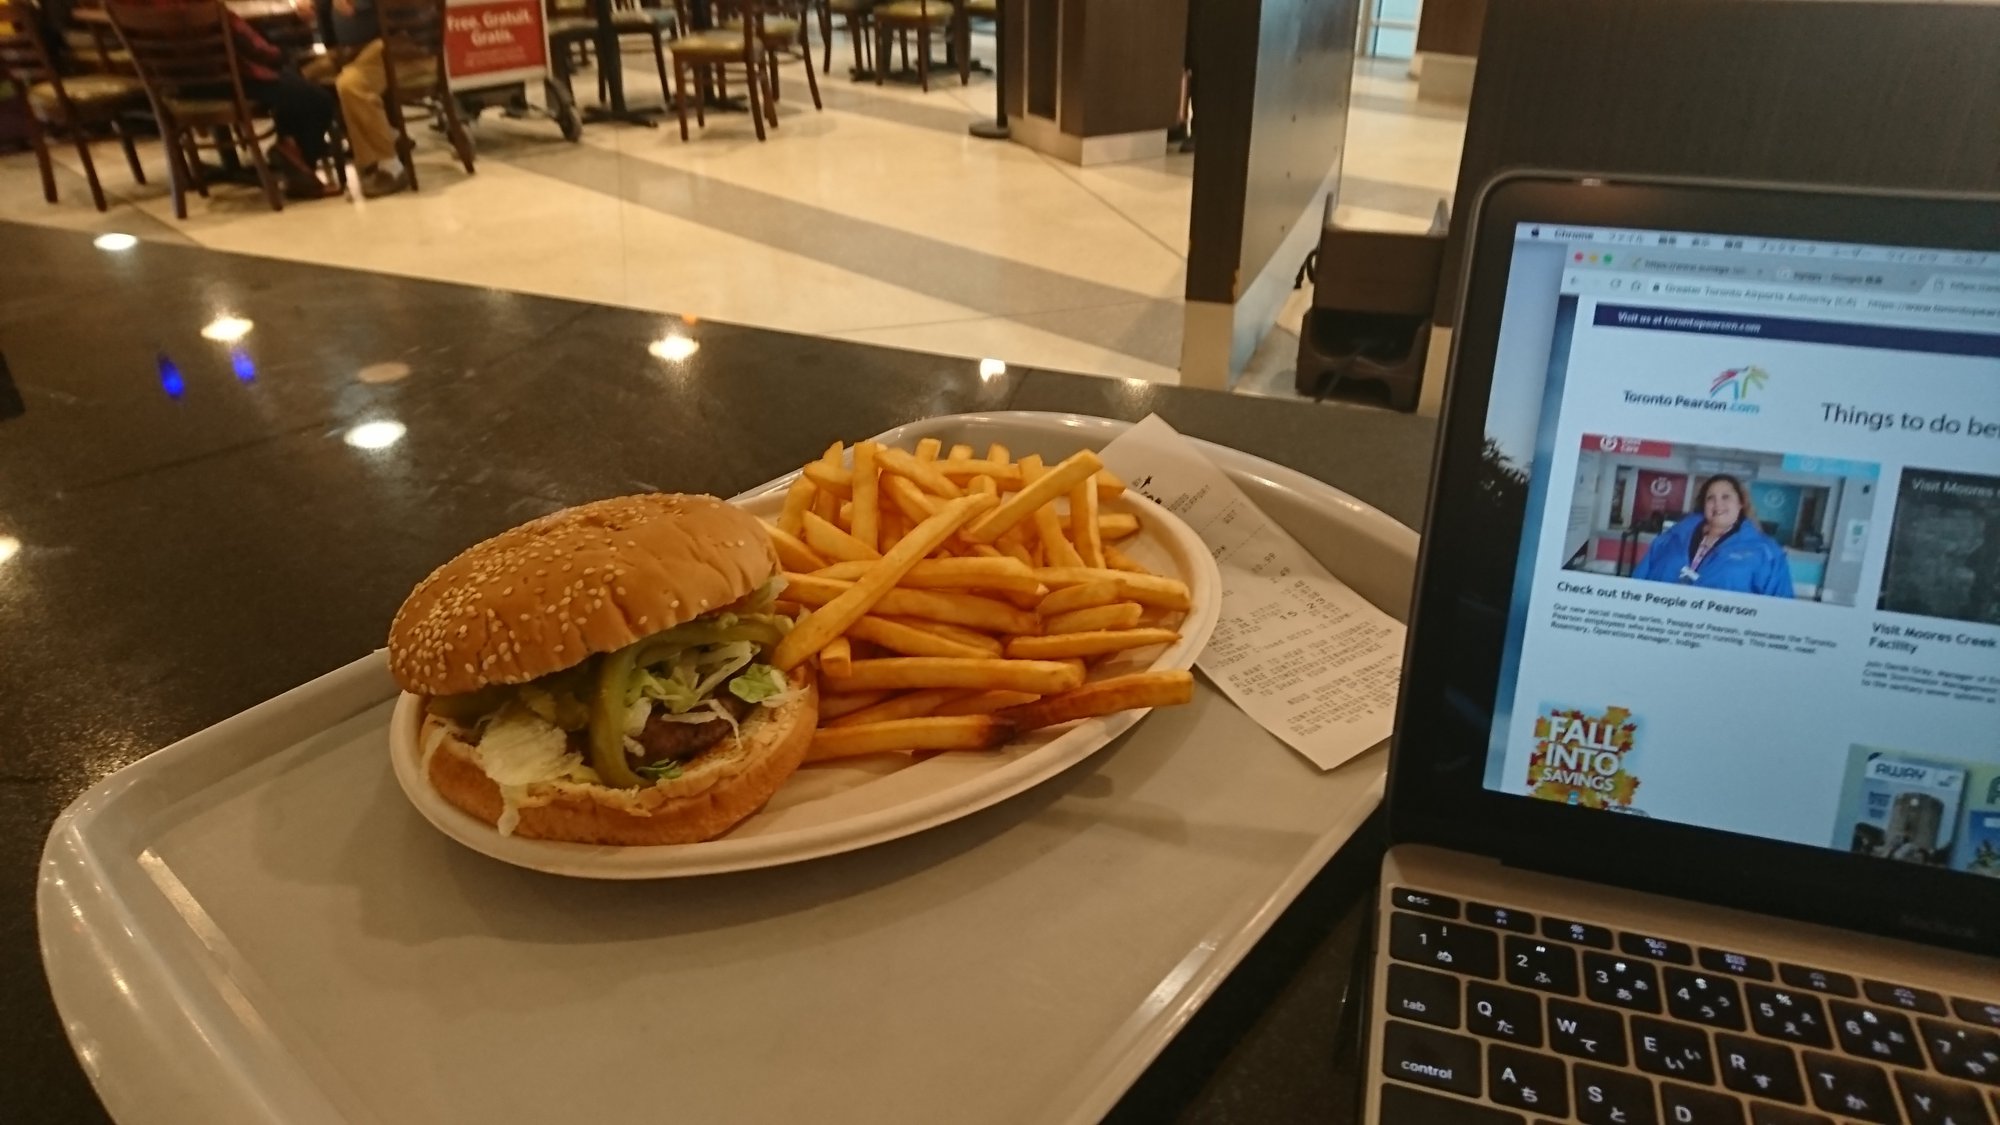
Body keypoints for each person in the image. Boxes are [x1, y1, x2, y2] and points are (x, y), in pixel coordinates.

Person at [119, 0, 337, 199]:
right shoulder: (203, 7)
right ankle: (297, 164)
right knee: (316, 98)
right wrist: (278, 56)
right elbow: (251, 44)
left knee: (291, 84)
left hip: (175, 87)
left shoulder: (125, 7)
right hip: (225, 80)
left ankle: (290, 153)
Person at [324, 0, 432, 198]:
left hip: (401, 47)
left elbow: (349, 9)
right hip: (359, 48)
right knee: (304, 77)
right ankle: (389, 136)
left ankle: (391, 167)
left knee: (351, 85)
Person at [1631, 474, 1796, 597]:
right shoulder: (1670, 539)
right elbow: (1637, 586)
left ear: (1740, 503)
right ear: (1703, 505)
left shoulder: (1766, 553)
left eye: (1726, 497)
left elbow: (1780, 608)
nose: (1718, 504)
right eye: (1711, 498)